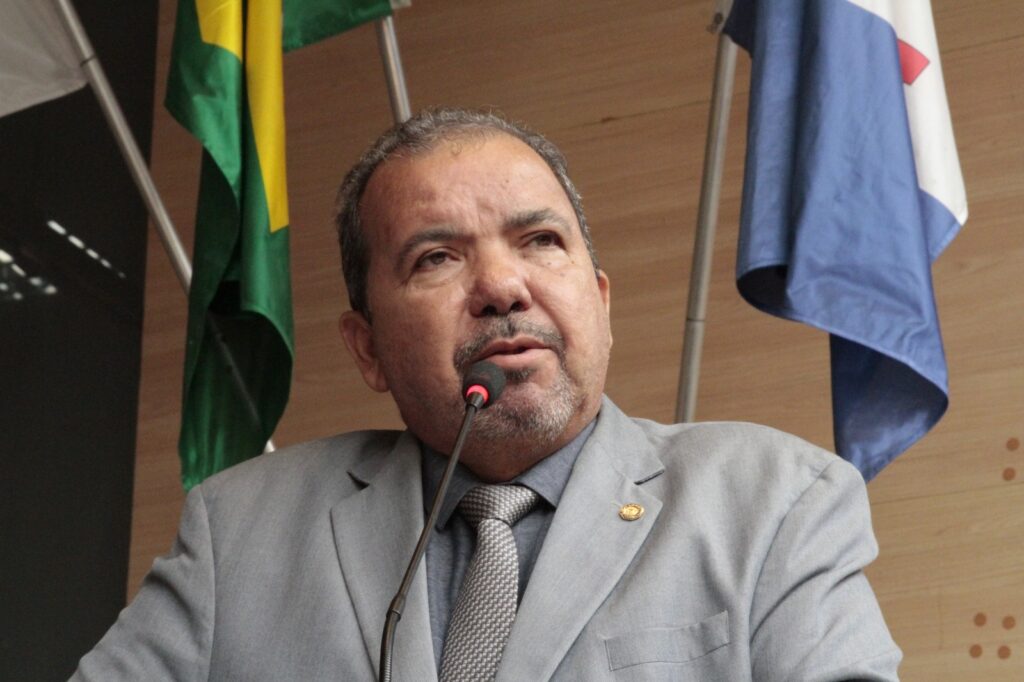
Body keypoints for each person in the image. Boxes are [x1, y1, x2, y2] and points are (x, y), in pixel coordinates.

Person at [73, 108, 901, 680]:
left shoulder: (777, 502)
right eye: (436, 258)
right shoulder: (236, 534)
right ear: (367, 348)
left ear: (601, 304)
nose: (503, 287)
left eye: (540, 240)